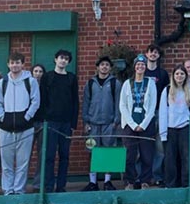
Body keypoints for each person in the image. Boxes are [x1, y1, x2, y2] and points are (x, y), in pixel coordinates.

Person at [0, 52, 41, 195]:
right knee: (6, 163)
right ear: (8, 64)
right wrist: (3, 117)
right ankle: (8, 190)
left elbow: (35, 102)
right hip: (5, 129)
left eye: (18, 62)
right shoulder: (2, 83)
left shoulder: (30, 81)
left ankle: (19, 190)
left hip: (25, 128)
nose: (15, 65)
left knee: (23, 162)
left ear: (22, 64)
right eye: (12, 62)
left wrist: (27, 117)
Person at [40, 49, 79, 193]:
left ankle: (61, 186)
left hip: (66, 123)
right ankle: (48, 186)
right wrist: (43, 119)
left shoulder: (71, 78)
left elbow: (75, 101)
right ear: (55, 59)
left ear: (68, 62)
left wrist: (73, 123)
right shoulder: (47, 77)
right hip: (50, 122)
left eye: (66, 59)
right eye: (61, 58)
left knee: (64, 155)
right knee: (49, 155)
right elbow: (42, 99)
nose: (63, 60)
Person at [81, 56, 121, 191]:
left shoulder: (115, 83)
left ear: (110, 68)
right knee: (92, 152)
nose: (104, 67)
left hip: (109, 124)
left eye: (107, 65)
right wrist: (85, 120)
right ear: (97, 67)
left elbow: (118, 103)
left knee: (108, 152)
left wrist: (116, 120)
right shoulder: (90, 83)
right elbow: (86, 102)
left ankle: (107, 181)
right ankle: (92, 182)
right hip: (92, 124)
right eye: (102, 65)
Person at [119, 54, 158, 189]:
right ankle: (130, 181)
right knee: (130, 155)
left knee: (147, 154)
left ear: (146, 67)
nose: (140, 67)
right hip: (129, 125)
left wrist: (143, 124)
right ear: (134, 67)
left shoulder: (150, 83)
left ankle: (145, 181)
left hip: (146, 124)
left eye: (143, 64)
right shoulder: (127, 84)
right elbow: (122, 105)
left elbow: (153, 105)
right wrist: (133, 124)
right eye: (138, 65)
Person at [159, 65, 190, 188]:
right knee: (170, 160)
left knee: (187, 159)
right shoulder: (166, 91)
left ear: (185, 76)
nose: (179, 76)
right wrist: (163, 133)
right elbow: (162, 113)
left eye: (182, 74)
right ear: (173, 76)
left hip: (186, 128)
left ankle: (186, 185)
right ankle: (170, 185)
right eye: (177, 74)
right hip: (170, 129)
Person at [144, 44, 170, 186]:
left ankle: (157, 175)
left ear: (158, 56)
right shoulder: (142, 72)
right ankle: (143, 176)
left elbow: (167, 94)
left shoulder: (163, 74)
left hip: (160, 112)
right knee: (144, 146)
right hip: (145, 113)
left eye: (155, 53)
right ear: (146, 54)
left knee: (160, 147)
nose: (153, 55)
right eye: (150, 52)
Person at [28, 63, 46, 193]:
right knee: (25, 155)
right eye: (35, 71)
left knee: (41, 154)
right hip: (28, 124)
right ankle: (20, 184)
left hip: (42, 123)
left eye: (40, 71)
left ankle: (37, 184)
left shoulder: (46, 88)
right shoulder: (26, 87)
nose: (38, 73)